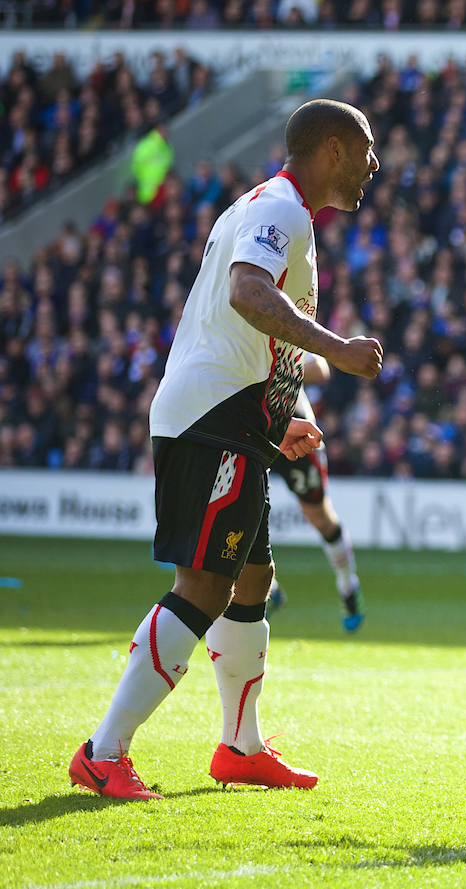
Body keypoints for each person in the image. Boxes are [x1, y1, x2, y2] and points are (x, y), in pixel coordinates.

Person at [69, 99, 383, 801]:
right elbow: (248, 294)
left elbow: (245, 331)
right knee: (205, 584)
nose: (375, 166)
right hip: (212, 419)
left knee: (253, 577)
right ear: (333, 148)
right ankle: (103, 750)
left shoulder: (267, 207)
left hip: (235, 418)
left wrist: (279, 422)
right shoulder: (283, 210)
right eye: (367, 150)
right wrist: (340, 349)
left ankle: (241, 746)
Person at [267, 355, 365, 632]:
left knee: (320, 518)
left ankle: (348, 585)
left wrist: (268, 372)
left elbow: (319, 368)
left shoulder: (278, 321)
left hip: (296, 431)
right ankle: (268, 589)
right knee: (240, 511)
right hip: (254, 431)